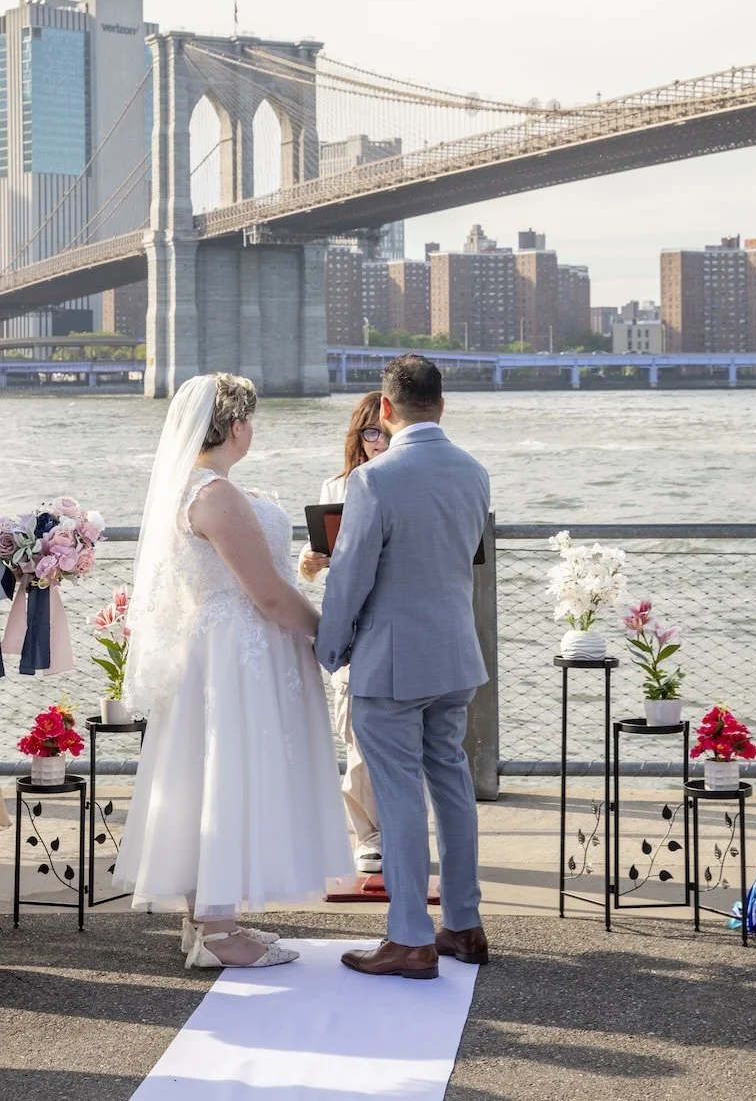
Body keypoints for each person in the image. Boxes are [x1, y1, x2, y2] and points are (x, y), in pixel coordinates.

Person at [114, 373, 352, 970]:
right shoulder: (215, 494)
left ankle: (207, 923)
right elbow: (267, 594)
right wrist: (330, 633)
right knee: (228, 772)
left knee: (207, 776)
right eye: (251, 420)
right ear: (237, 425)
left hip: (215, 646)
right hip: (238, 649)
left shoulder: (191, 488)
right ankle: (219, 932)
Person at [317, 354, 491, 980]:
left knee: (397, 797)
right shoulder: (475, 472)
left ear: (385, 411)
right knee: (451, 785)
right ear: (442, 405)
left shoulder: (374, 481)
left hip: (392, 661)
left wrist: (328, 649)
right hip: (456, 654)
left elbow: (352, 578)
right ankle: (465, 925)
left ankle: (411, 937)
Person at [299, 391, 388, 875]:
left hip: (395, 618)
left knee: (397, 737)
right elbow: (317, 562)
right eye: (369, 431)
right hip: (351, 621)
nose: (378, 440)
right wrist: (310, 561)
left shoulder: (409, 482)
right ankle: (367, 835)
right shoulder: (337, 488)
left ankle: (393, 830)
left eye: (386, 430)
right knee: (354, 731)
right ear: (358, 436)